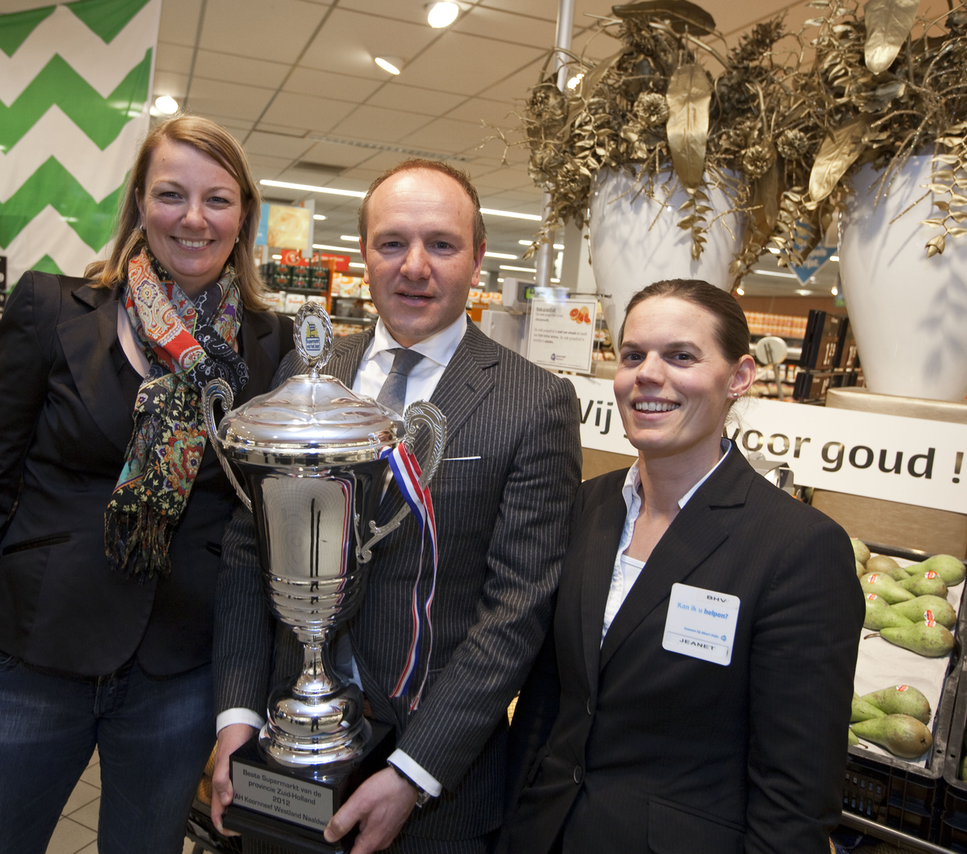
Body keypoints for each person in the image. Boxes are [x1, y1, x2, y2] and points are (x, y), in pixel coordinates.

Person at [0, 114, 294, 854]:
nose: (193, 218)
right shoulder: (54, 310)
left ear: (244, 214)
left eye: (217, 199)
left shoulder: (269, 347)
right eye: (171, 194)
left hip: (180, 669)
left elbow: (259, 523)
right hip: (30, 657)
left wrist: (251, 696)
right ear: (139, 202)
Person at [210, 159, 583, 854]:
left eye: (441, 244)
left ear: (476, 259)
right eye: (392, 243)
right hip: (284, 753)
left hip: (434, 781)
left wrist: (412, 775)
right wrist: (235, 717)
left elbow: (518, 609)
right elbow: (245, 548)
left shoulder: (533, 403)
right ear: (365, 255)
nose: (415, 266)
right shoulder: (306, 372)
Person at [500, 279, 863, 854]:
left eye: (681, 356)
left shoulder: (798, 549)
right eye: (633, 355)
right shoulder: (584, 509)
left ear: (739, 377)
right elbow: (551, 697)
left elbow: (796, 794)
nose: (648, 373)